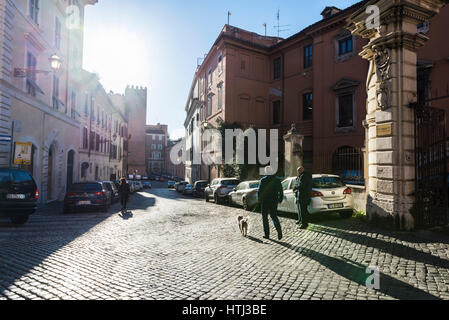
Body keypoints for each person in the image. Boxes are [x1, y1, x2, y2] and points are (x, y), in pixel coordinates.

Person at [257, 166, 284, 240]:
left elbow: (259, 191)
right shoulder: (277, 180)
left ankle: (267, 234)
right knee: (274, 216)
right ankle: (279, 231)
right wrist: (280, 199)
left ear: (266, 172)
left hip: (265, 201)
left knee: (265, 218)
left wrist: (259, 199)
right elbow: (281, 190)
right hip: (274, 201)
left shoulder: (263, 180)